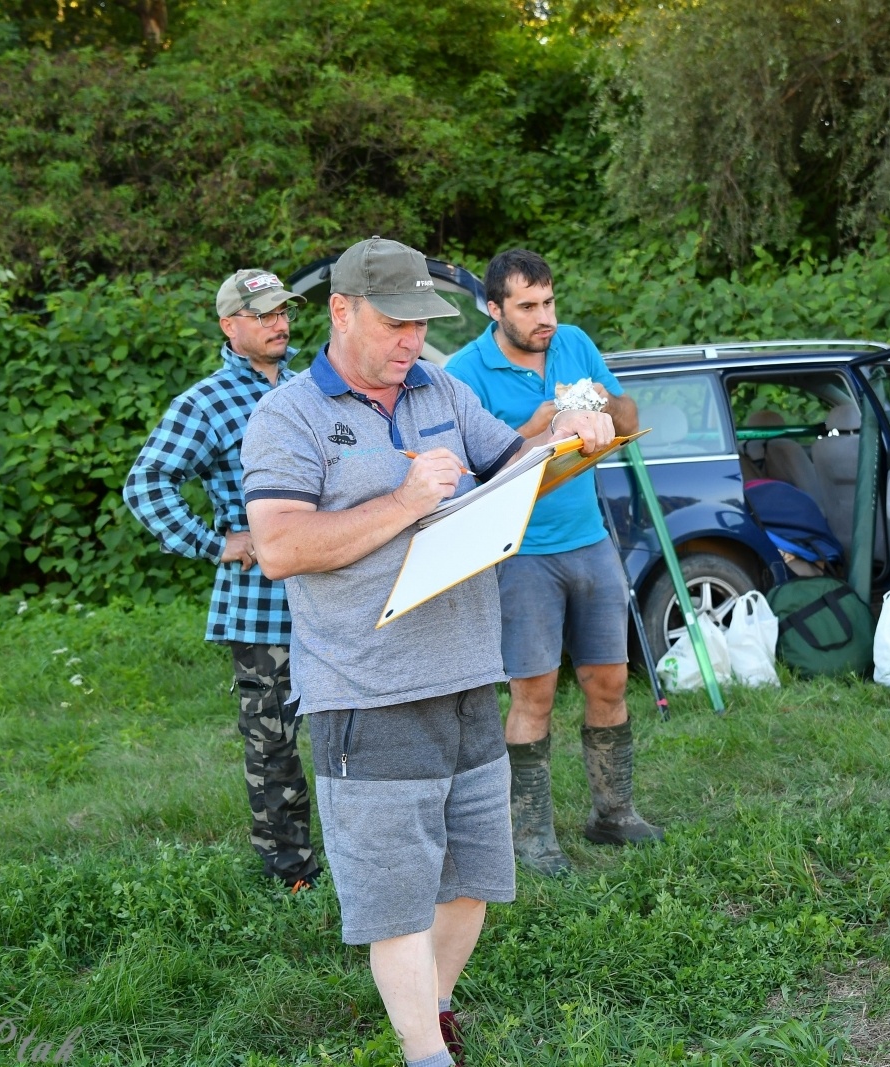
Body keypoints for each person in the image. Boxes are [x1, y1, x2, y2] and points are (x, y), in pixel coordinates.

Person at [241, 236, 615, 1067]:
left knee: (476, 874)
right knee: (396, 900)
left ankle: (435, 1006)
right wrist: (408, 499)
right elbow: (280, 547)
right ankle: (424, 1054)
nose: (413, 339)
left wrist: (563, 435)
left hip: (466, 671)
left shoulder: (437, 385)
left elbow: (506, 458)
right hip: (366, 689)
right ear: (342, 311)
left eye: (423, 322)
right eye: (395, 321)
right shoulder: (289, 415)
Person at [444, 248, 662, 876]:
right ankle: (530, 836)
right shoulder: (465, 372)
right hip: (519, 554)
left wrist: (599, 407)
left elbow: (629, 419)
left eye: (550, 302)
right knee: (533, 692)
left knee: (610, 680)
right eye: (528, 306)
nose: (545, 318)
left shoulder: (574, 343)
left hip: (588, 539)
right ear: (494, 309)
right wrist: (537, 428)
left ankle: (613, 813)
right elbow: (464, 480)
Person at [124, 268, 322, 892]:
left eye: (282, 313)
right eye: (262, 316)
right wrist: (216, 543)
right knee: (274, 743)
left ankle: (356, 849)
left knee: (348, 726)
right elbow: (145, 483)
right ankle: (290, 870)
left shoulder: (308, 389)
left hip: (328, 592)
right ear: (228, 325)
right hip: (262, 604)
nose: (278, 325)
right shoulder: (205, 402)